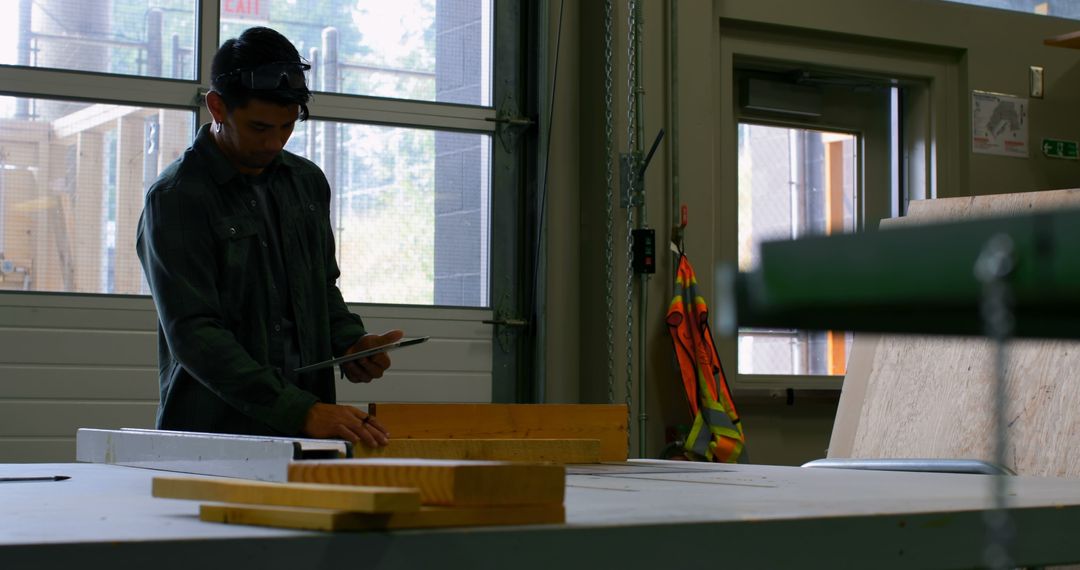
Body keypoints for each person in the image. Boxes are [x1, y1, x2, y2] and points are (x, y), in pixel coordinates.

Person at [137, 26, 398, 448]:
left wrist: (351, 343)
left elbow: (320, 286)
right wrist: (299, 410)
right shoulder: (178, 198)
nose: (274, 142)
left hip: (309, 428)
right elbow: (195, 334)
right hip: (214, 435)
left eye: (287, 127)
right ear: (218, 107)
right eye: (259, 127)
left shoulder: (306, 182)